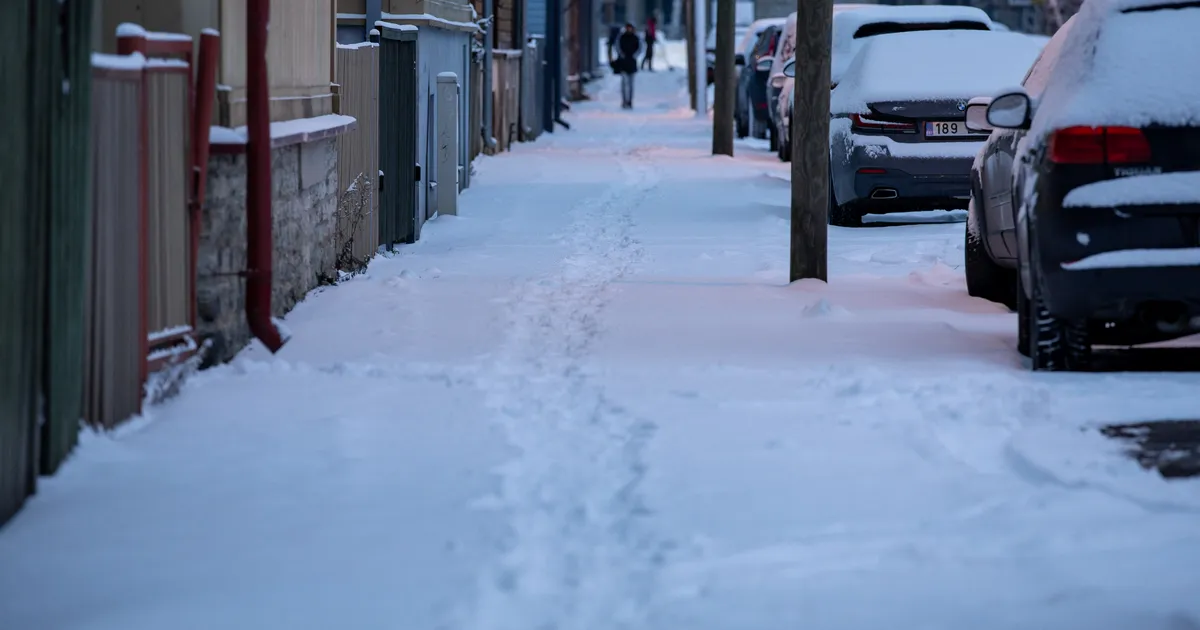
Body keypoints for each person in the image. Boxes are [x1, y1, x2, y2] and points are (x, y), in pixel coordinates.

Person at [616, 23, 641, 109]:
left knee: (630, 84)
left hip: (632, 63)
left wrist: (634, 56)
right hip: (624, 63)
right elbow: (618, 47)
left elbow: (640, 48)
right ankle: (624, 100)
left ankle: (629, 101)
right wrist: (622, 55)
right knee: (624, 83)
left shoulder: (635, 38)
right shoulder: (622, 37)